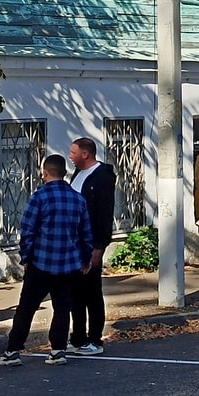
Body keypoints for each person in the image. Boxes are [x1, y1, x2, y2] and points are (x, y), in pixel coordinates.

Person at [0, 154, 93, 367]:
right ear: (64, 173)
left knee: (27, 307)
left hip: (41, 262)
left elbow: (28, 230)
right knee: (62, 307)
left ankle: (12, 351)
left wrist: (26, 257)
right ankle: (58, 350)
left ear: (45, 173)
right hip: (67, 264)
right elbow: (85, 233)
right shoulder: (78, 199)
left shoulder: (39, 197)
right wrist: (85, 259)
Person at [67, 137, 116, 356]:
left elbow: (104, 214)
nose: (70, 155)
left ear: (85, 154)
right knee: (75, 293)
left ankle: (95, 339)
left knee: (92, 293)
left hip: (91, 243)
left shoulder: (102, 177)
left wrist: (99, 247)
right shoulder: (78, 174)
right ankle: (77, 337)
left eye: (73, 152)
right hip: (74, 244)